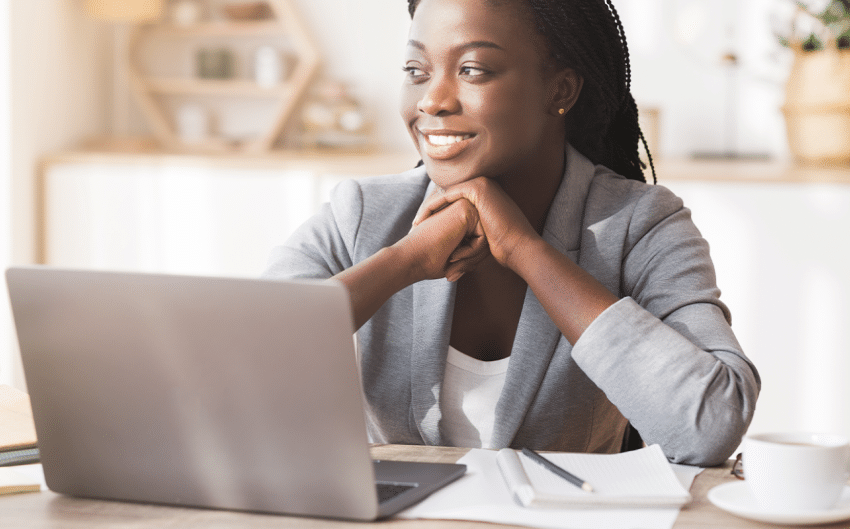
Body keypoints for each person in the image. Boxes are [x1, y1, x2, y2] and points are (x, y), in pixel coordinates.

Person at [265, 0, 760, 467]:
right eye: (417, 72)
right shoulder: (363, 214)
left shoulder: (641, 225)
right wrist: (404, 261)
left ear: (560, 90)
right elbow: (244, 362)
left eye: (472, 70)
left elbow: (710, 424)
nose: (432, 100)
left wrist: (526, 250)